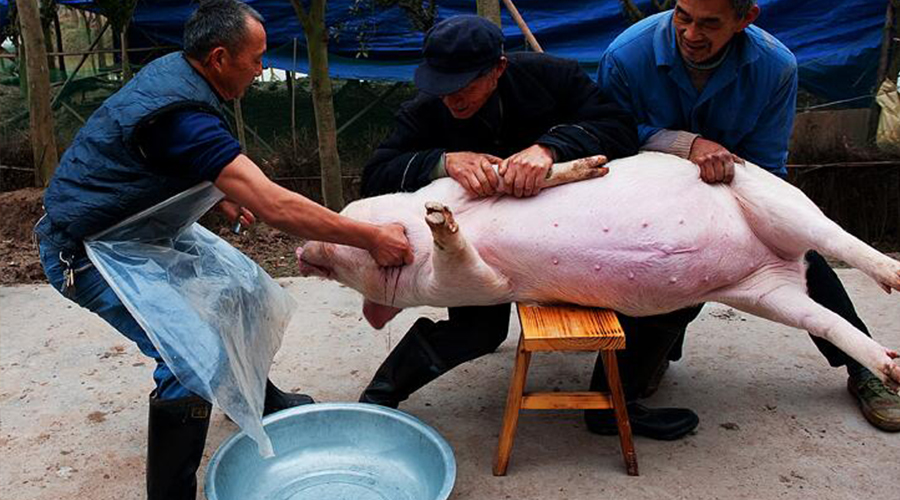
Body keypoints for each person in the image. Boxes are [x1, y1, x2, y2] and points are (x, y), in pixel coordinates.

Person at [35, 1, 413, 498]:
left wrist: (224, 196)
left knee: (242, 291)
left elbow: (164, 161)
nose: (261, 68)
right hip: (86, 250)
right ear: (217, 57)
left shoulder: (178, 72)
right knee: (190, 363)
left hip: (142, 227)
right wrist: (371, 237)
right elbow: (276, 205)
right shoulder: (182, 114)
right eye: (256, 59)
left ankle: (256, 397)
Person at [359, 15, 702, 441]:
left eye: (464, 84)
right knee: (477, 332)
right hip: (485, 243)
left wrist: (549, 148)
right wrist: (443, 161)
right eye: (441, 85)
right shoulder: (429, 106)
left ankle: (614, 408)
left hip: (577, 234)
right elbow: (375, 175)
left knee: (653, 284)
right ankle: (379, 396)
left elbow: (619, 128)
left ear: (499, 68)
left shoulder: (551, 75)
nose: (452, 98)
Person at [595, 0, 900, 432]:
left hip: (731, 189)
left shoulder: (776, 66)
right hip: (644, 191)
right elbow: (612, 134)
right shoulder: (627, 53)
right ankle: (653, 353)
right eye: (683, 15)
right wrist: (686, 144)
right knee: (654, 267)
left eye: (709, 23)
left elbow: (768, 164)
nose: (690, 34)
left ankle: (867, 365)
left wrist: (748, 217)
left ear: (746, 19)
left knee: (797, 254)